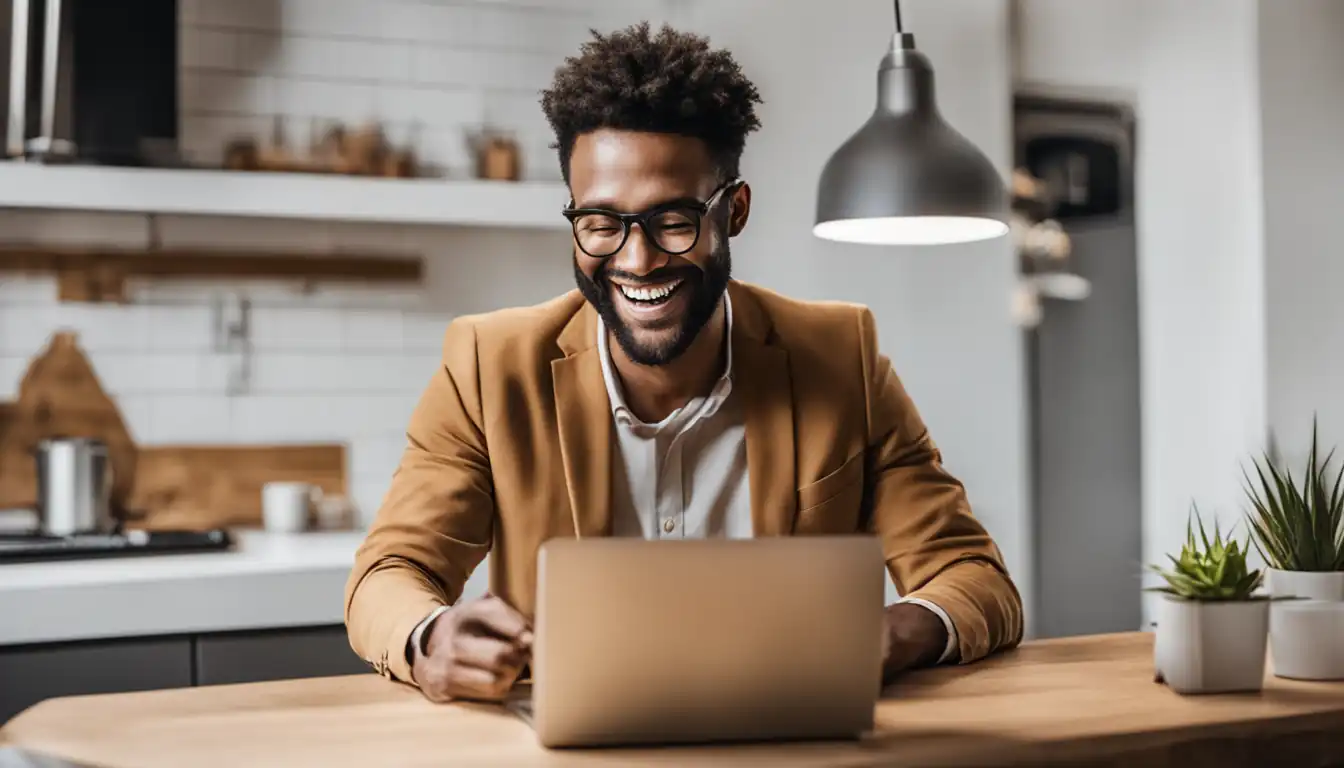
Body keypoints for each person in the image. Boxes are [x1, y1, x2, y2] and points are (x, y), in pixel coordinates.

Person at [344, 22, 1023, 703]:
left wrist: (890, 633)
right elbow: (388, 574)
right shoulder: (490, 367)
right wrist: (432, 641)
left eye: (673, 221)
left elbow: (975, 579)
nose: (636, 262)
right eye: (602, 223)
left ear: (735, 210)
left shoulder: (841, 358)